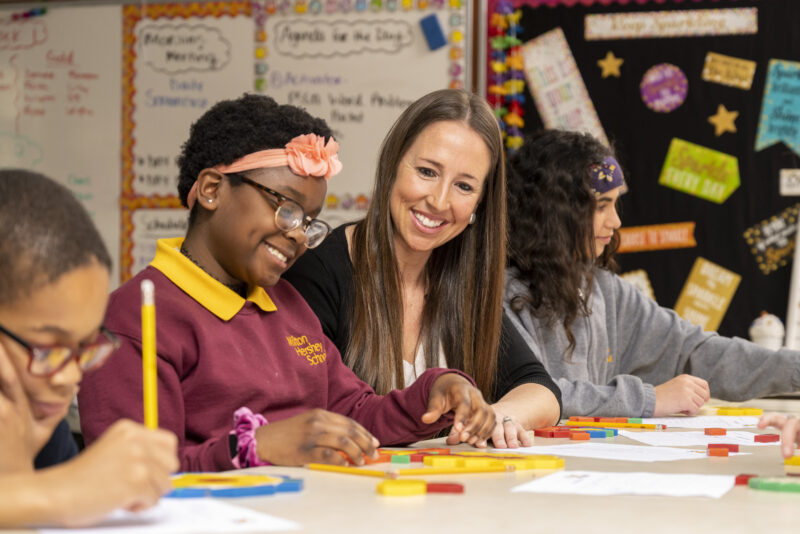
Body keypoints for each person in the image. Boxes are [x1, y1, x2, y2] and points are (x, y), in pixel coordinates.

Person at [78, 94, 497, 472]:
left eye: (310, 222)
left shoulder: (287, 305)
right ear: (210, 190)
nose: (299, 235)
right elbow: (129, 473)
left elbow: (354, 411)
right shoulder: (137, 318)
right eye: (287, 211)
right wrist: (253, 447)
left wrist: (433, 393)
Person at [284, 88, 561, 449]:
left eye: (464, 185)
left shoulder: (463, 279)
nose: (439, 201)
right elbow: (306, 410)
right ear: (393, 166)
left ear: (480, 202)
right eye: (428, 171)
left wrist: (495, 417)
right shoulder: (319, 270)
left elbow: (541, 388)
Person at [503, 129, 800, 418]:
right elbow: (532, 394)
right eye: (601, 206)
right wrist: (649, 399)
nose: (616, 221)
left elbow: (693, 351)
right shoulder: (504, 294)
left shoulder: (605, 289)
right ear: (557, 211)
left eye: (616, 203)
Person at [0, 170, 178, 528]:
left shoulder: (41, 420)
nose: (69, 378)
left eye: (84, 349)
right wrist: (47, 493)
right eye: (47, 348)